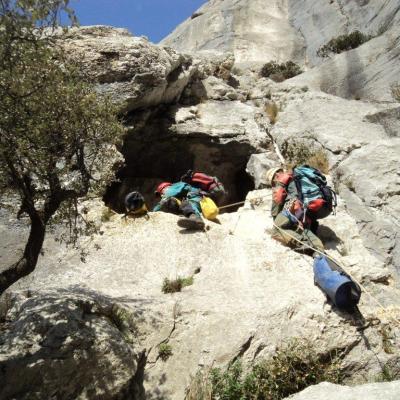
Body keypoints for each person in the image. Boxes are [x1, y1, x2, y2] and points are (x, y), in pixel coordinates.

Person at [266, 166, 325, 255]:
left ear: (275, 175)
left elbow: (277, 200)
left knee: (276, 230)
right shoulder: (295, 177)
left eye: (272, 182)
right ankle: (319, 249)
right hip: (306, 208)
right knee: (302, 229)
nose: (273, 184)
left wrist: (275, 218)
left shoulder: (280, 179)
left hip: (294, 207)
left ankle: (304, 243)